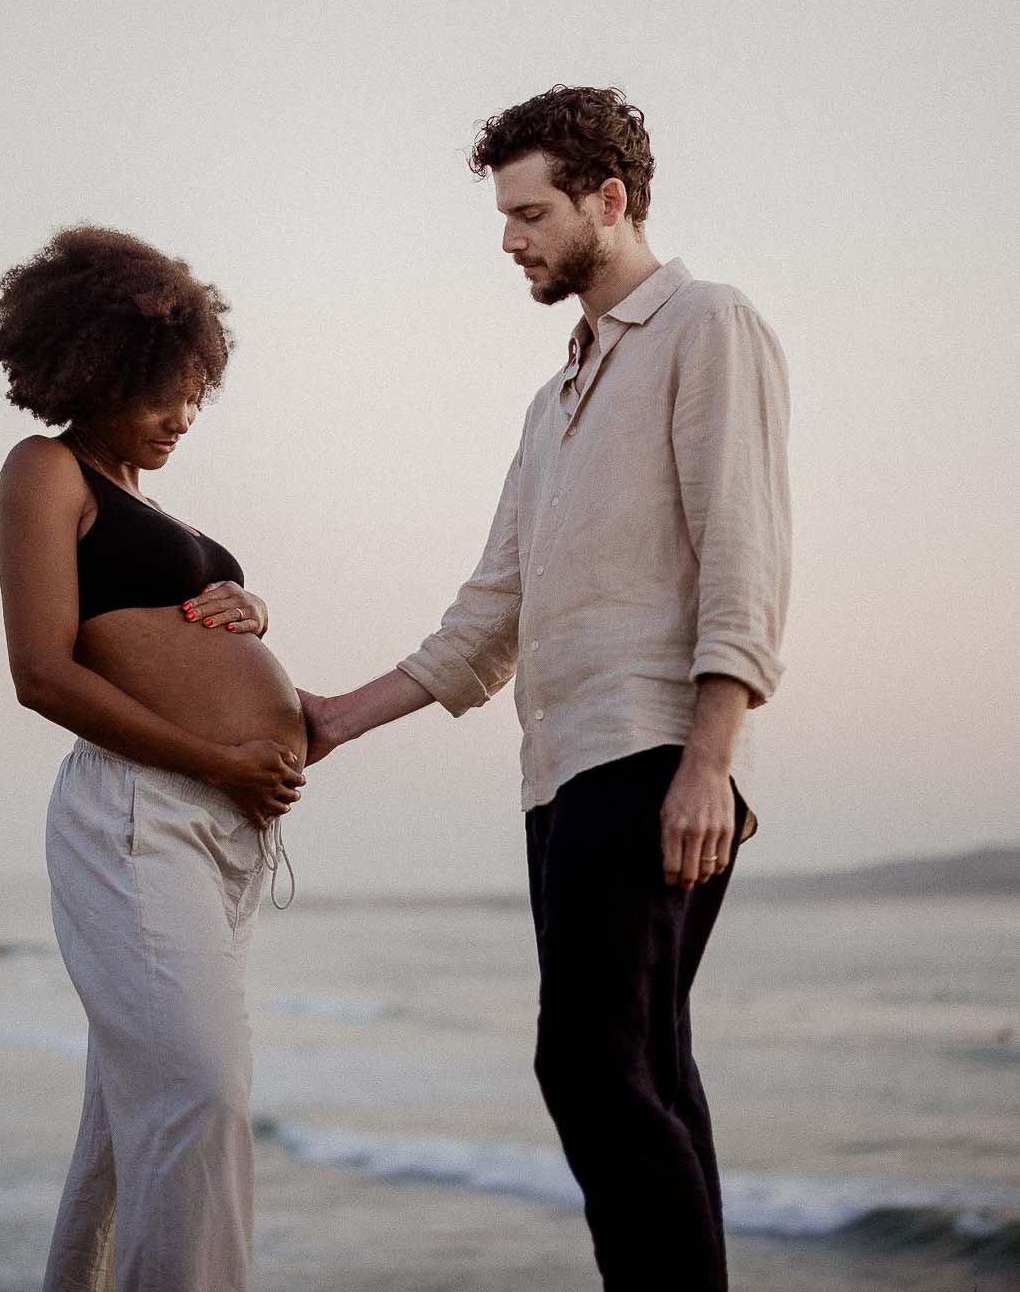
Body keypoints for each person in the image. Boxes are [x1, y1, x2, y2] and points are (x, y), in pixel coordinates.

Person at [299, 85, 791, 1292]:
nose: (510, 240)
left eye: (528, 212)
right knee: (646, 1072)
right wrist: (332, 718)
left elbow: (744, 551)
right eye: (504, 217)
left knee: (586, 1067)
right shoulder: (552, 397)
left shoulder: (706, 325)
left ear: (607, 201)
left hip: (652, 755)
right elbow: (492, 609)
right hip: (557, 775)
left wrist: (707, 765)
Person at [0, 225, 306, 1292]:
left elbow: (187, 637)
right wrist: (216, 760)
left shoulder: (159, 509)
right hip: (137, 817)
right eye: (161, 390)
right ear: (96, 367)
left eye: (194, 393)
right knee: (198, 1094)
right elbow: (43, 671)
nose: (181, 416)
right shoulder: (46, 469)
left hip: (216, 838)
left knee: (131, 1119)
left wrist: (252, 608)